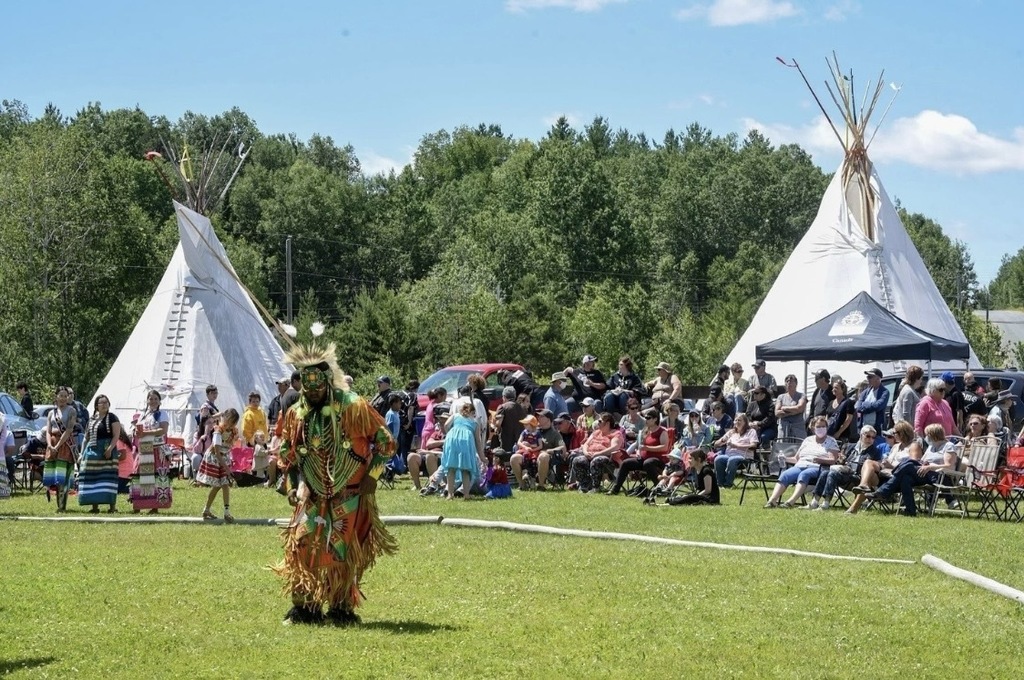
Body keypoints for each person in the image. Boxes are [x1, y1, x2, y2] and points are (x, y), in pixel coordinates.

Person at [274, 342, 397, 626]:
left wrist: (373, 477)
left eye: (318, 387)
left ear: (328, 382)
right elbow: (287, 456)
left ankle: (341, 609)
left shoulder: (353, 406)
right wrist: (292, 487)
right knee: (302, 545)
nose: (313, 392)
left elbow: (386, 442)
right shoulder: (296, 414)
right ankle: (305, 608)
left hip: (350, 493)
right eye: (308, 388)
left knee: (340, 552)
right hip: (313, 493)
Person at [865, 423, 959, 516]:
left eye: (927, 435)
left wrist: (930, 466)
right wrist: (924, 464)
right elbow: (921, 461)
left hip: (938, 475)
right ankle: (910, 510)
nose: (926, 437)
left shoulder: (948, 446)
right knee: (905, 478)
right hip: (924, 473)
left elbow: (949, 466)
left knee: (909, 464)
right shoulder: (931, 447)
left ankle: (884, 491)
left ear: (934, 435)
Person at [764, 416, 841, 508]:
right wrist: (785, 458)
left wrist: (820, 460)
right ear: (812, 428)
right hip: (801, 464)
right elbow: (796, 459)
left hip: (818, 467)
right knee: (785, 474)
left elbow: (833, 460)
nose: (821, 429)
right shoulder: (807, 440)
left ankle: (790, 502)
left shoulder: (831, 441)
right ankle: (772, 501)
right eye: (818, 427)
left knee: (804, 474)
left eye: (823, 426)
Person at [846, 420, 921, 514]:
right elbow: (888, 461)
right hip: (885, 473)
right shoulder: (895, 446)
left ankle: (853, 508)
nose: (893, 435)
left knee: (870, 476)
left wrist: (893, 466)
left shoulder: (913, 446)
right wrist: (884, 463)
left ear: (902, 433)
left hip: (898, 476)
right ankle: (863, 485)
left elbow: (913, 464)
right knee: (868, 463)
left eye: (894, 433)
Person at [807, 425, 882, 511]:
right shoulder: (850, 447)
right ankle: (814, 501)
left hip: (858, 478)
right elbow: (842, 461)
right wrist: (841, 459)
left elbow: (872, 468)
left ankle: (826, 503)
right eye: (868, 436)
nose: (870, 439)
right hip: (845, 473)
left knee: (832, 473)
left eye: (873, 437)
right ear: (861, 435)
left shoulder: (875, 451)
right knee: (825, 472)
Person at [129, 390, 173, 513]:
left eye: (155, 399)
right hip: (144, 449)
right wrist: (135, 432)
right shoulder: (143, 415)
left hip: (157, 450)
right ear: (147, 401)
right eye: (151, 399)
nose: (153, 401)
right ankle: (138, 504)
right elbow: (137, 429)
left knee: (156, 477)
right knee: (140, 475)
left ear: (159, 401)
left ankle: (155, 506)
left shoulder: (162, 414)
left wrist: (145, 433)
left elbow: (163, 430)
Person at [607, 408, 669, 495]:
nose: (646, 420)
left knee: (648, 463)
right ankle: (615, 489)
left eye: (648, 418)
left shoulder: (662, 431)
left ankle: (659, 487)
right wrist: (634, 453)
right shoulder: (645, 430)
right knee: (625, 463)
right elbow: (638, 445)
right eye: (645, 417)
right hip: (643, 459)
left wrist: (648, 448)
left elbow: (664, 447)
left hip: (658, 461)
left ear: (655, 419)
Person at [78, 394, 122, 513]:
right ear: (96, 406)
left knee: (108, 478)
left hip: (106, 451)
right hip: (92, 451)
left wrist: (109, 449)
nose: (104, 405)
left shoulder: (112, 418)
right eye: (101, 403)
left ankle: (112, 507)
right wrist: (81, 453)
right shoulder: (92, 419)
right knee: (92, 478)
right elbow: (86, 438)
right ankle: (94, 506)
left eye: (106, 402)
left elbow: (116, 435)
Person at [197, 408, 239, 521]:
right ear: (224, 418)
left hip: (223, 457)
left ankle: (210, 510)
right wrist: (227, 469)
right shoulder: (218, 431)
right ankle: (224, 512)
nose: (229, 423)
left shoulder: (233, 431)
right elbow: (217, 451)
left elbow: (229, 446)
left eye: (232, 421)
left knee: (221, 485)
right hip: (215, 458)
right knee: (220, 485)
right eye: (228, 420)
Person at [567, 412, 625, 493]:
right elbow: (586, 444)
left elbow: (614, 447)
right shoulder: (596, 432)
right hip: (590, 455)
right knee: (578, 460)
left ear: (607, 423)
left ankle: (595, 487)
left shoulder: (615, 434)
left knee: (597, 460)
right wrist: (586, 452)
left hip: (608, 459)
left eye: (600, 421)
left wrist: (599, 453)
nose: (598, 423)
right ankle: (584, 485)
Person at [43, 386, 78, 513]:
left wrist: (57, 447)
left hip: (65, 445)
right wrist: (50, 445)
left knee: (62, 476)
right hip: (52, 443)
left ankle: (62, 505)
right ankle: (58, 503)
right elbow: (48, 430)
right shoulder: (51, 413)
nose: (63, 398)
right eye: (61, 395)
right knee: (54, 476)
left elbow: (69, 430)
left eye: (65, 396)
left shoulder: (72, 410)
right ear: (56, 397)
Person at [441, 401, 485, 500]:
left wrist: (451, 433)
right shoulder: (474, 423)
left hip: (451, 439)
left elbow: (446, 425)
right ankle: (466, 495)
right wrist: (482, 456)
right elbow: (478, 440)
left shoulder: (455, 415)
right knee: (466, 469)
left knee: (451, 468)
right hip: (466, 441)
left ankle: (450, 494)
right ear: (472, 412)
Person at [712, 413, 758, 488]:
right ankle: (720, 484)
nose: (737, 422)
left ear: (745, 422)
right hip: (729, 455)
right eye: (735, 420)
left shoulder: (751, 432)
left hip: (744, 457)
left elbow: (753, 446)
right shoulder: (731, 432)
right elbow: (716, 444)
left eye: (739, 420)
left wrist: (736, 446)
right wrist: (723, 440)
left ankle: (728, 484)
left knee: (732, 459)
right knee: (718, 459)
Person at [410, 405, 447, 491]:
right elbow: (428, 444)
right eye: (440, 421)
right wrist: (443, 441)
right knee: (411, 456)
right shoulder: (437, 433)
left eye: (443, 421)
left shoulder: (452, 434)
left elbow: (448, 453)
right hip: (428, 454)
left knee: (429, 456)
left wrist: (431, 452)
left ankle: (434, 485)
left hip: (441, 458)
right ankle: (417, 485)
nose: (441, 423)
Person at [510, 414, 543, 490]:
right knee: (525, 456)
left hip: (534, 451)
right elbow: (519, 442)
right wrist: (525, 447)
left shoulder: (537, 434)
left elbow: (540, 445)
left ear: (531, 424)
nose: (524, 425)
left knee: (533, 461)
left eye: (526, 424)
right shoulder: (524, 432)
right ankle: (525, 472)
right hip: (525, 450)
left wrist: (532, 448)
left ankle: (532, 477)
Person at [491, 386, 526, 453]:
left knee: (506, 458)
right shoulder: (521, 408)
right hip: (520, 439)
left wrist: (494, 427)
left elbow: (498, 424)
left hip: (507, 439)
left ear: (504, 396)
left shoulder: (502, 407)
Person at [774, 375, 806, 440]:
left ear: (796, 384)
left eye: (791, 381)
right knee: (783, 447)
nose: (789, 383)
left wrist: (784, 408)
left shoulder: (801, 395)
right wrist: (793, 412)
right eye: (787, 381)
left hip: (798, 429)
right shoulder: (781, 397)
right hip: (783, 428)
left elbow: (800, 408)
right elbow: (777, 413)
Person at [825, 378, 856, 444]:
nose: (833, 389)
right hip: (829, 435)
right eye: (833, 388)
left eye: (836, 388)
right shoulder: (831, 402)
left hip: (842, 437)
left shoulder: (848, 402)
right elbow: (827, 417)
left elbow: (848, 419)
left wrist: (838, 433)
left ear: (842, 389)